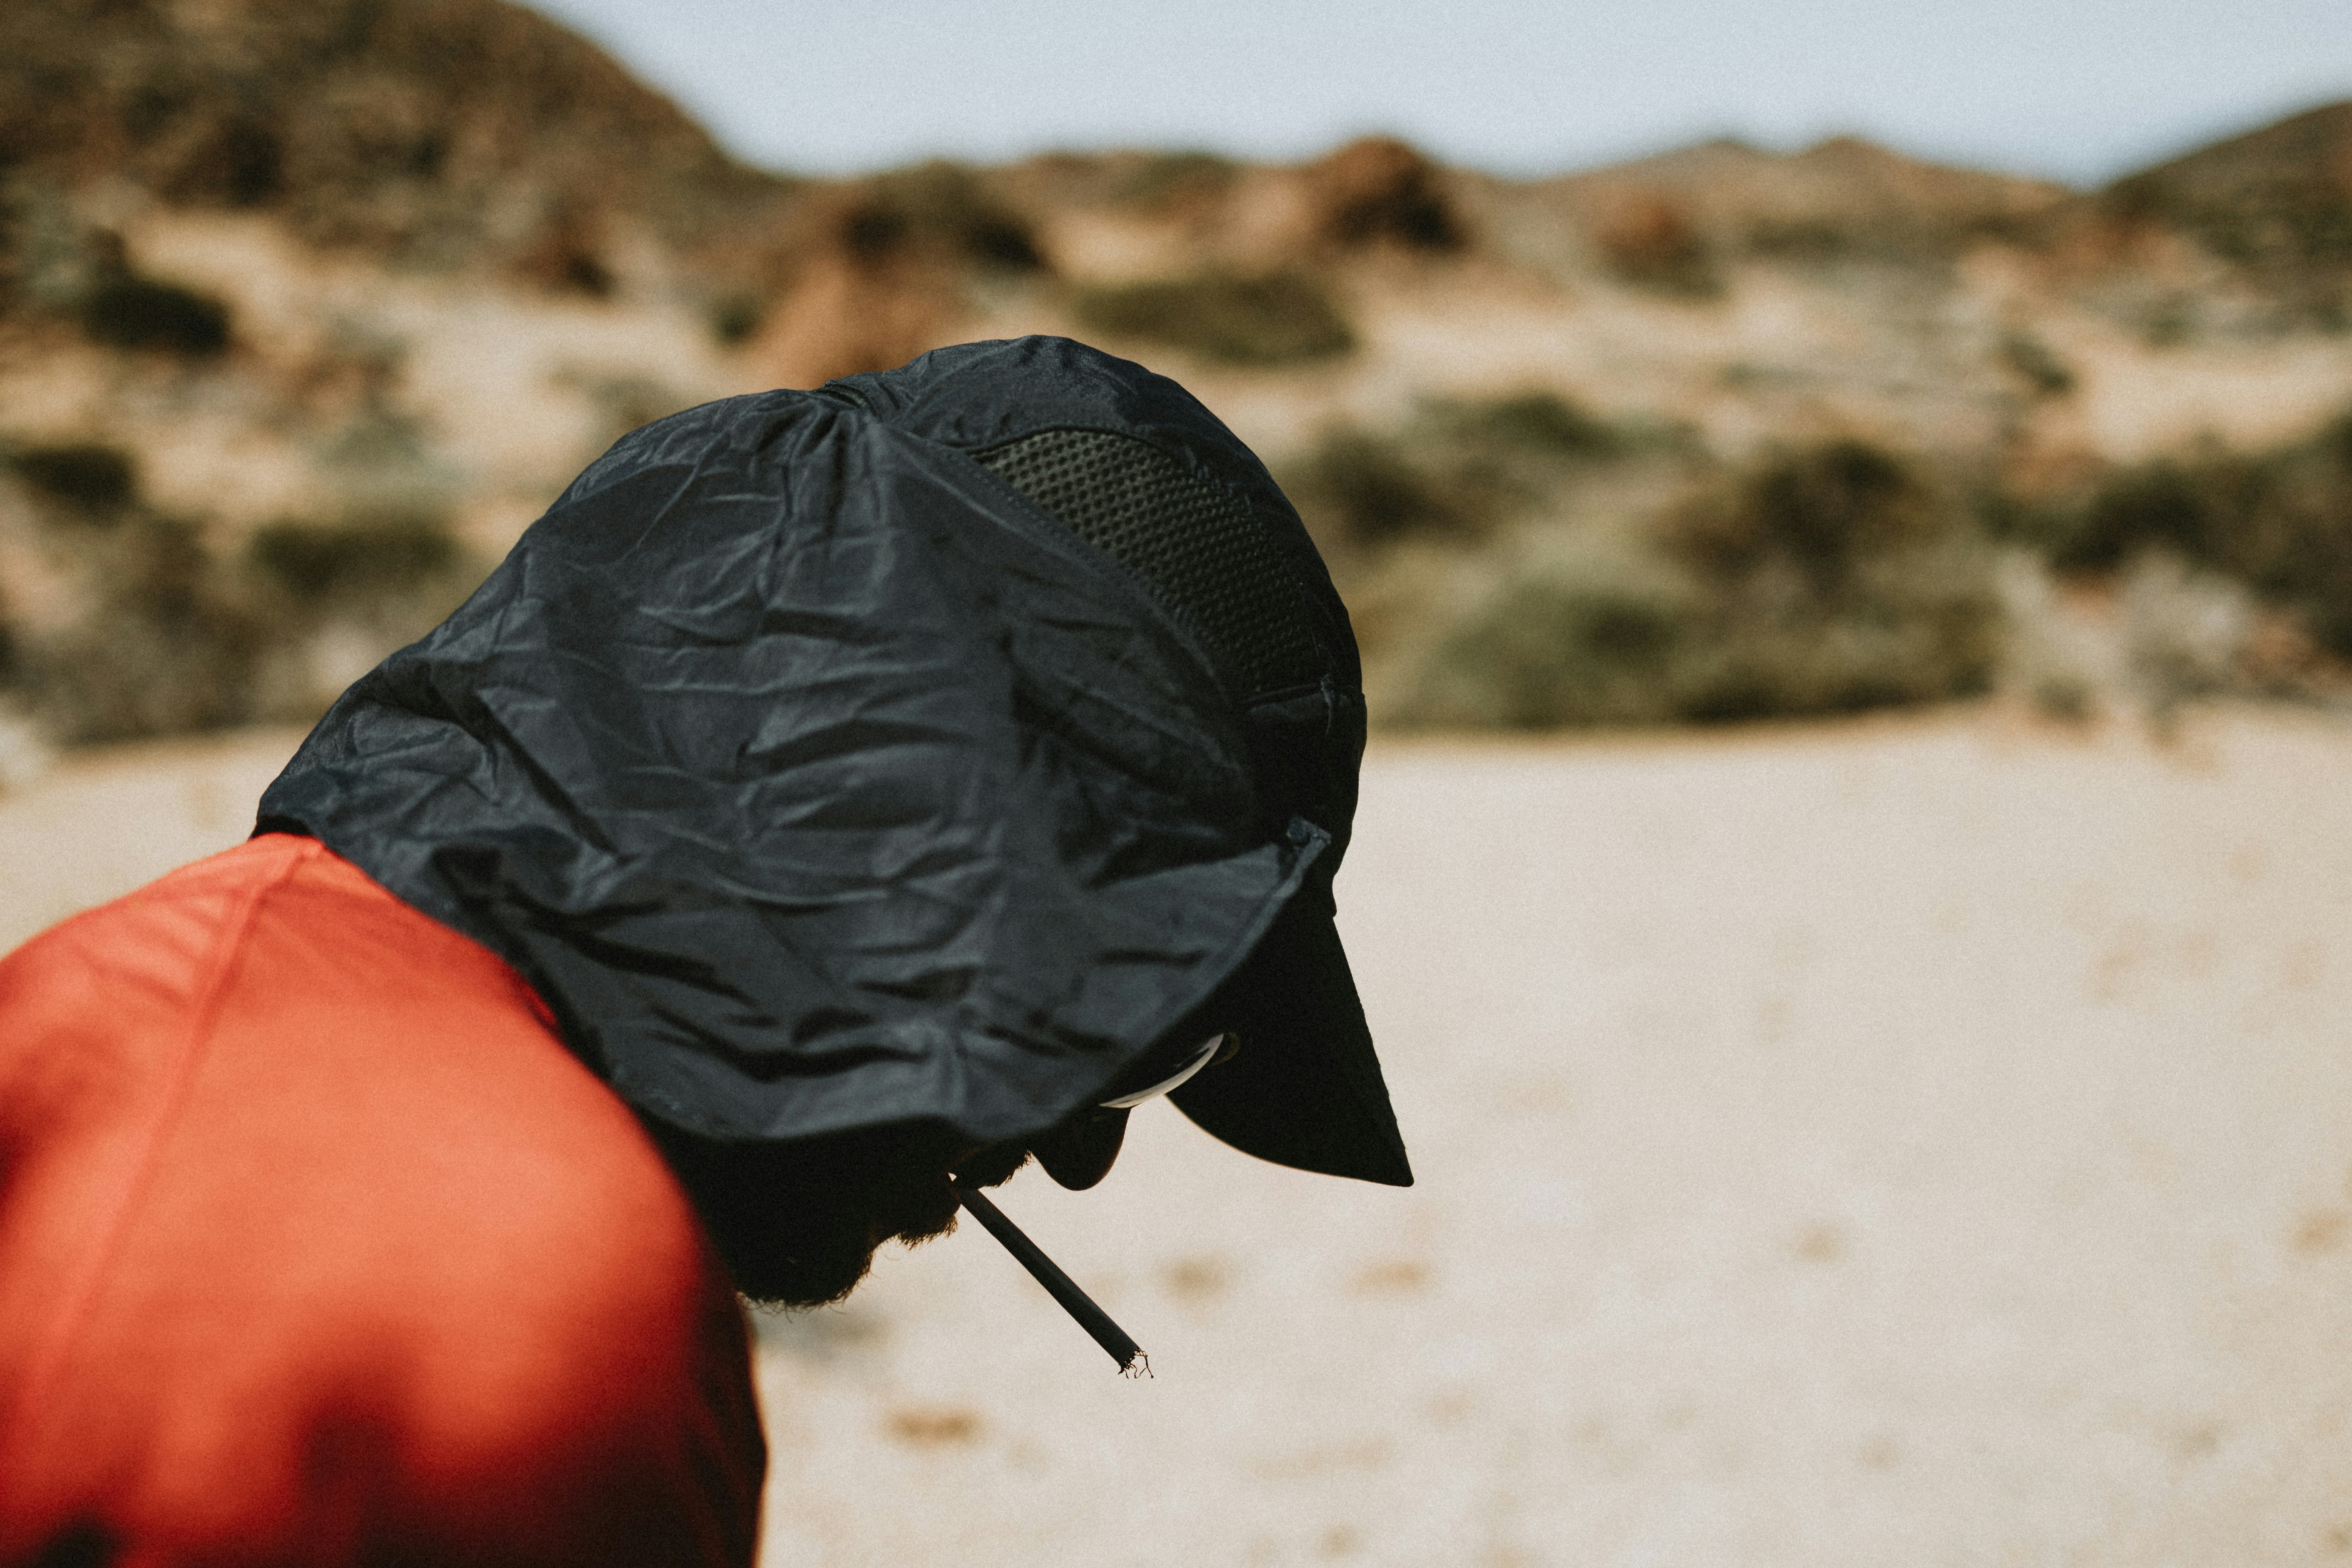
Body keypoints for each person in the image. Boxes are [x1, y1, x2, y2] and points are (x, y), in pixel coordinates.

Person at [0, 337, 1410, 1567]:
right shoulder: (518, 1310)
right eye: (1136, 1013)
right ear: (908, 824)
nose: (1065, 1148)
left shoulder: (123, 996)